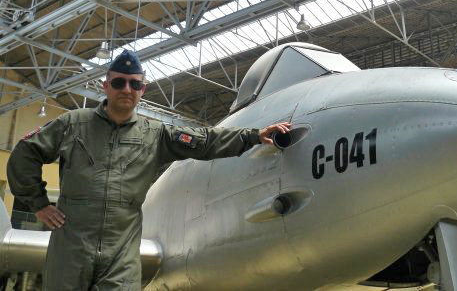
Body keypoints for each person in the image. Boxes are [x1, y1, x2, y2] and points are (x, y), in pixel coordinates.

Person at [7, 49, 290, 291]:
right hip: (71, 243)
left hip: (122, 250)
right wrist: (39, 204)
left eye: (134, 84)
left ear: (143, 89)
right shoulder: (72, 124)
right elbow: (25, 152)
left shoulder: (155, 134)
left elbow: (204, 141)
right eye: (119, 82)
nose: (126, 89)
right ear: (105, 86)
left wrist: (253, 136)